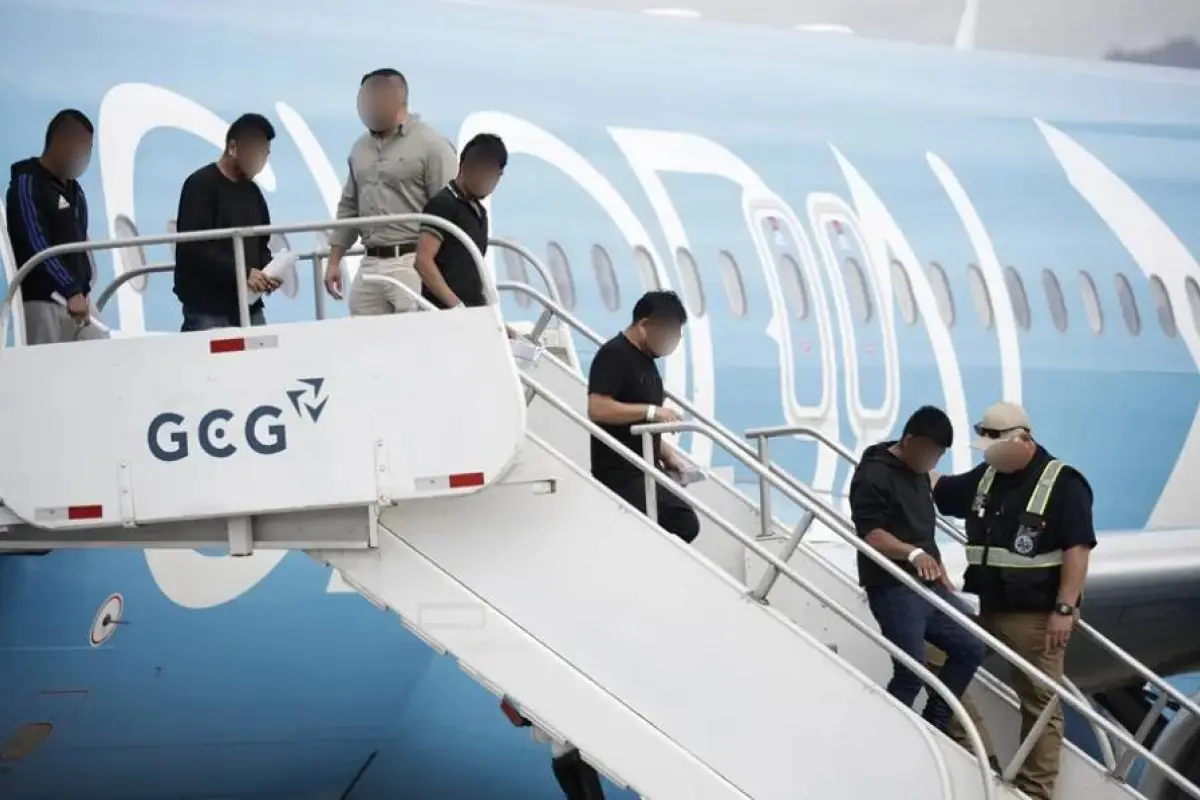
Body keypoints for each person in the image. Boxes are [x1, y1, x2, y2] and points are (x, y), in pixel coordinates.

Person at [933, 401, 1096, 800]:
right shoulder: (988, 474)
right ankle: (979, 757)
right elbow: (945, 492)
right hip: (987, 607)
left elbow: (1078, 550)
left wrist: (1065, 607)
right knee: (936, 659)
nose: (992, 459)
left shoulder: (1064, 483)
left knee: (1040, 704)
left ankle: (1034, 792)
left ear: (1024, 440)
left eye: (999, 451)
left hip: (1038, 616)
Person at [849, 406, 986, 735]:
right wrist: (912, 554)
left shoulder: (919, 470)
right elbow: (871, 533)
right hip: (893, 587)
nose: (933, 462)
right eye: (929, 452)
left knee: (971, 646)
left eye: (938, 455)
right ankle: (889, 735)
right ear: (909, 441)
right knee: (911, 670)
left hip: (927, 586)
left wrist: (936, 568)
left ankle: (935, 724)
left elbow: (922, 531)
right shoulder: (874, 474)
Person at [323, 68, 458, 314]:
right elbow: (349, 206)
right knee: (366, 343)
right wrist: (334, 260)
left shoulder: (432, 145)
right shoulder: (359, 148)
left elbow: (450, 210)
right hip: (370, 261)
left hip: (412, 259)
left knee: (415, 341)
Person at [586, 290, 699, 544]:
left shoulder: (646, 361)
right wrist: (651, 411)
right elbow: (598, 408)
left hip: (645, 465)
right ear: (645, 325)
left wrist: (666, 454)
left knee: (683, 518)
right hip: (620, 472)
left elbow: (637, 423)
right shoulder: (614, 355)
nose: (673, 341)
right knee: (682, 522)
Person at [5, 109, 107, 345]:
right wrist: (69, 288)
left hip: (79, 300)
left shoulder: (75, 191)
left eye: (89, 147)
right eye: (82, 146)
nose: (85, 154)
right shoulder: (27, 184)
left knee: (102, 346)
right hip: (43, 300)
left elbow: (81, 244)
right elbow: (35, 242)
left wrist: (81, 288)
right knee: (44, 370)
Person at [173, 113, 280, 331]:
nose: (260, 160)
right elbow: (194, 248)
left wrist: (270, 271)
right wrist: (243, 271)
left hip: (250, 307)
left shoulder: (253, 192)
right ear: (233, 147)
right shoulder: (200, 185)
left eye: (265, 154)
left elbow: (261, 243)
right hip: (208, 310)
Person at [415, 133, 506, 309]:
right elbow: (423, 261)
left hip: (474, 312)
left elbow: (474, 275)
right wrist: (456, 306)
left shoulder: (480, 213)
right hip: (444, 315)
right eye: (486, 173)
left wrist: (492, 316)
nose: (490, 182)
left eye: (496, 176)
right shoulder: (443, 204)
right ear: (466, 167)